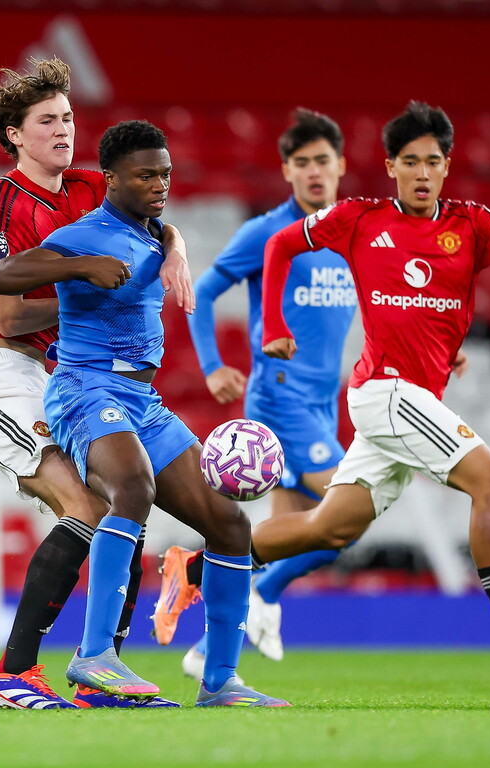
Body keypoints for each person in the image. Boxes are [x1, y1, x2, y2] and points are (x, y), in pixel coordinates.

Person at [162, 101, 490, 677]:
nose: (421, 173)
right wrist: (279, 325)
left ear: (447, 166)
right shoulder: (360, 218)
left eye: (432, 162)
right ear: (390, 166)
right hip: (385, 393)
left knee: (328, 528)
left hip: (412, 399)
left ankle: (190, 568)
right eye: (409, 162)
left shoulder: (473, 224)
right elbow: (281, 245)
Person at [0, 120, 289, 707]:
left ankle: (219, 679)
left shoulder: (153, 234)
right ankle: (94, 656)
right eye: (146, 175)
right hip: (85, 391)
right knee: (133, 487)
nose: (159, 184)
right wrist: (77, 267)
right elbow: (0, 276)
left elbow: (161, 229)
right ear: (112, 179)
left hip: (143, 402)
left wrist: (173, 245)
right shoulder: (83, 234)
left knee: (231, 524)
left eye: (165, 174)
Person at [0, 58, 190, 709]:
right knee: (90, 507)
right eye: (47, 121)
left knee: (123, 505)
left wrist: (176, 246)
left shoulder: (88, 188)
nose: (63, 130)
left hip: (54, 377)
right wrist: (86, 290)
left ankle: (104, 672)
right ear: (15, 135)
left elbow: (154, 222)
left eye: (69, 118)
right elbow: (7, 314)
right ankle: (13, 674)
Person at [169, 108, 358, 675]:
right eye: (302, 164)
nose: (314, 172)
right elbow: (203, 288)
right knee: (354, 505)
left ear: (341, 165)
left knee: (313, 536)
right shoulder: (266, 232)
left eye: (323, 160)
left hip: (324, 403)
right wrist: (212, 366)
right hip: (280, 399)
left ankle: (208, 651)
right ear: (287, 171)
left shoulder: (350, 232)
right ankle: (226, 582)